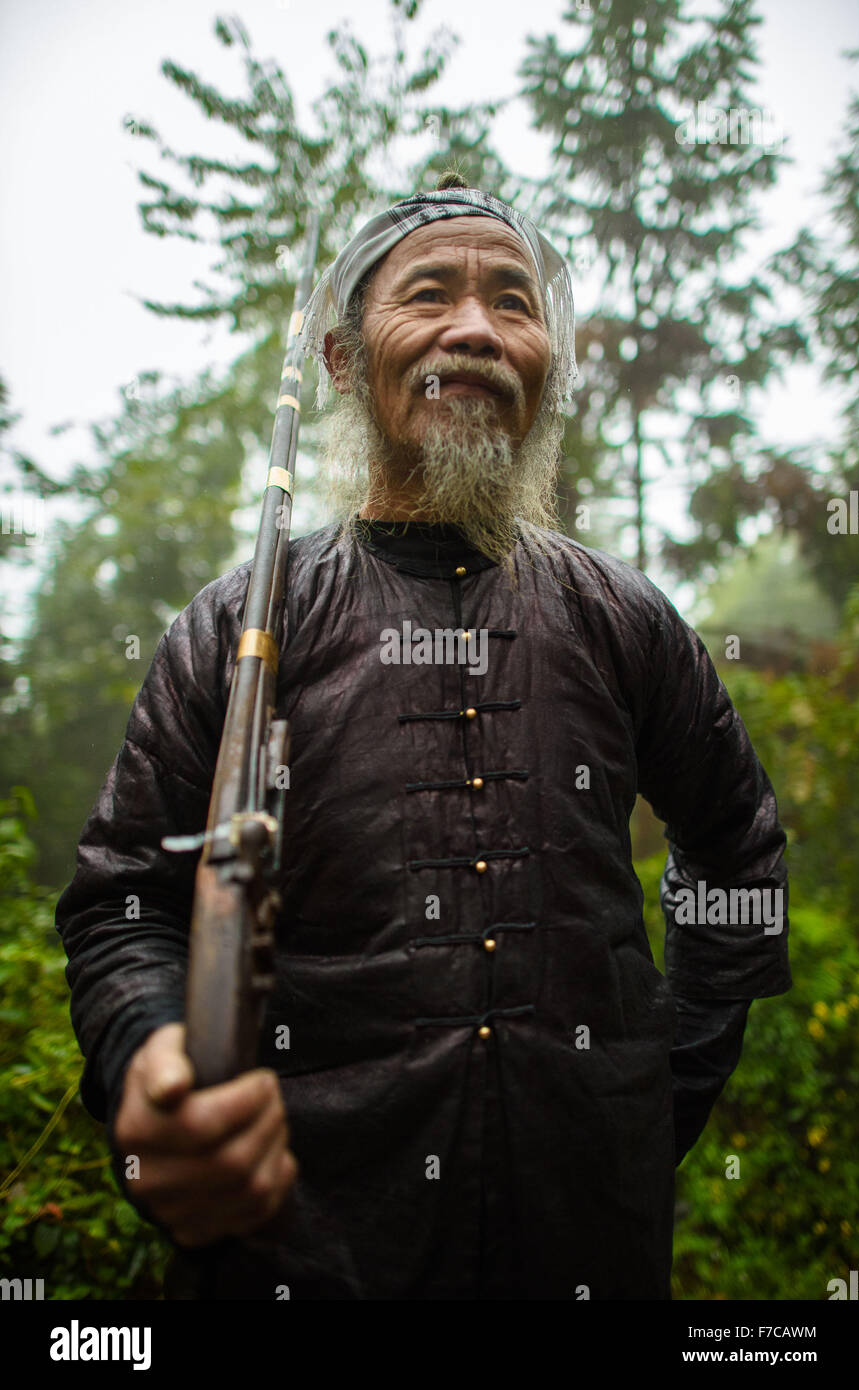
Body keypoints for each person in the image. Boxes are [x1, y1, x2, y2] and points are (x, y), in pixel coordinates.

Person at [56, 174, 791, 1300]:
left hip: (588, 1247)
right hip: (308, 1252)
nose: (476, 329)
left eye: (514, 300)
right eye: (430, 294)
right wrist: (149, 1055)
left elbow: (738, 850)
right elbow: (123, 901)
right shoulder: (243, 621)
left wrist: (657, 1091)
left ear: (546, 361)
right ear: (347, 362)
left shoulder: (621, 616)